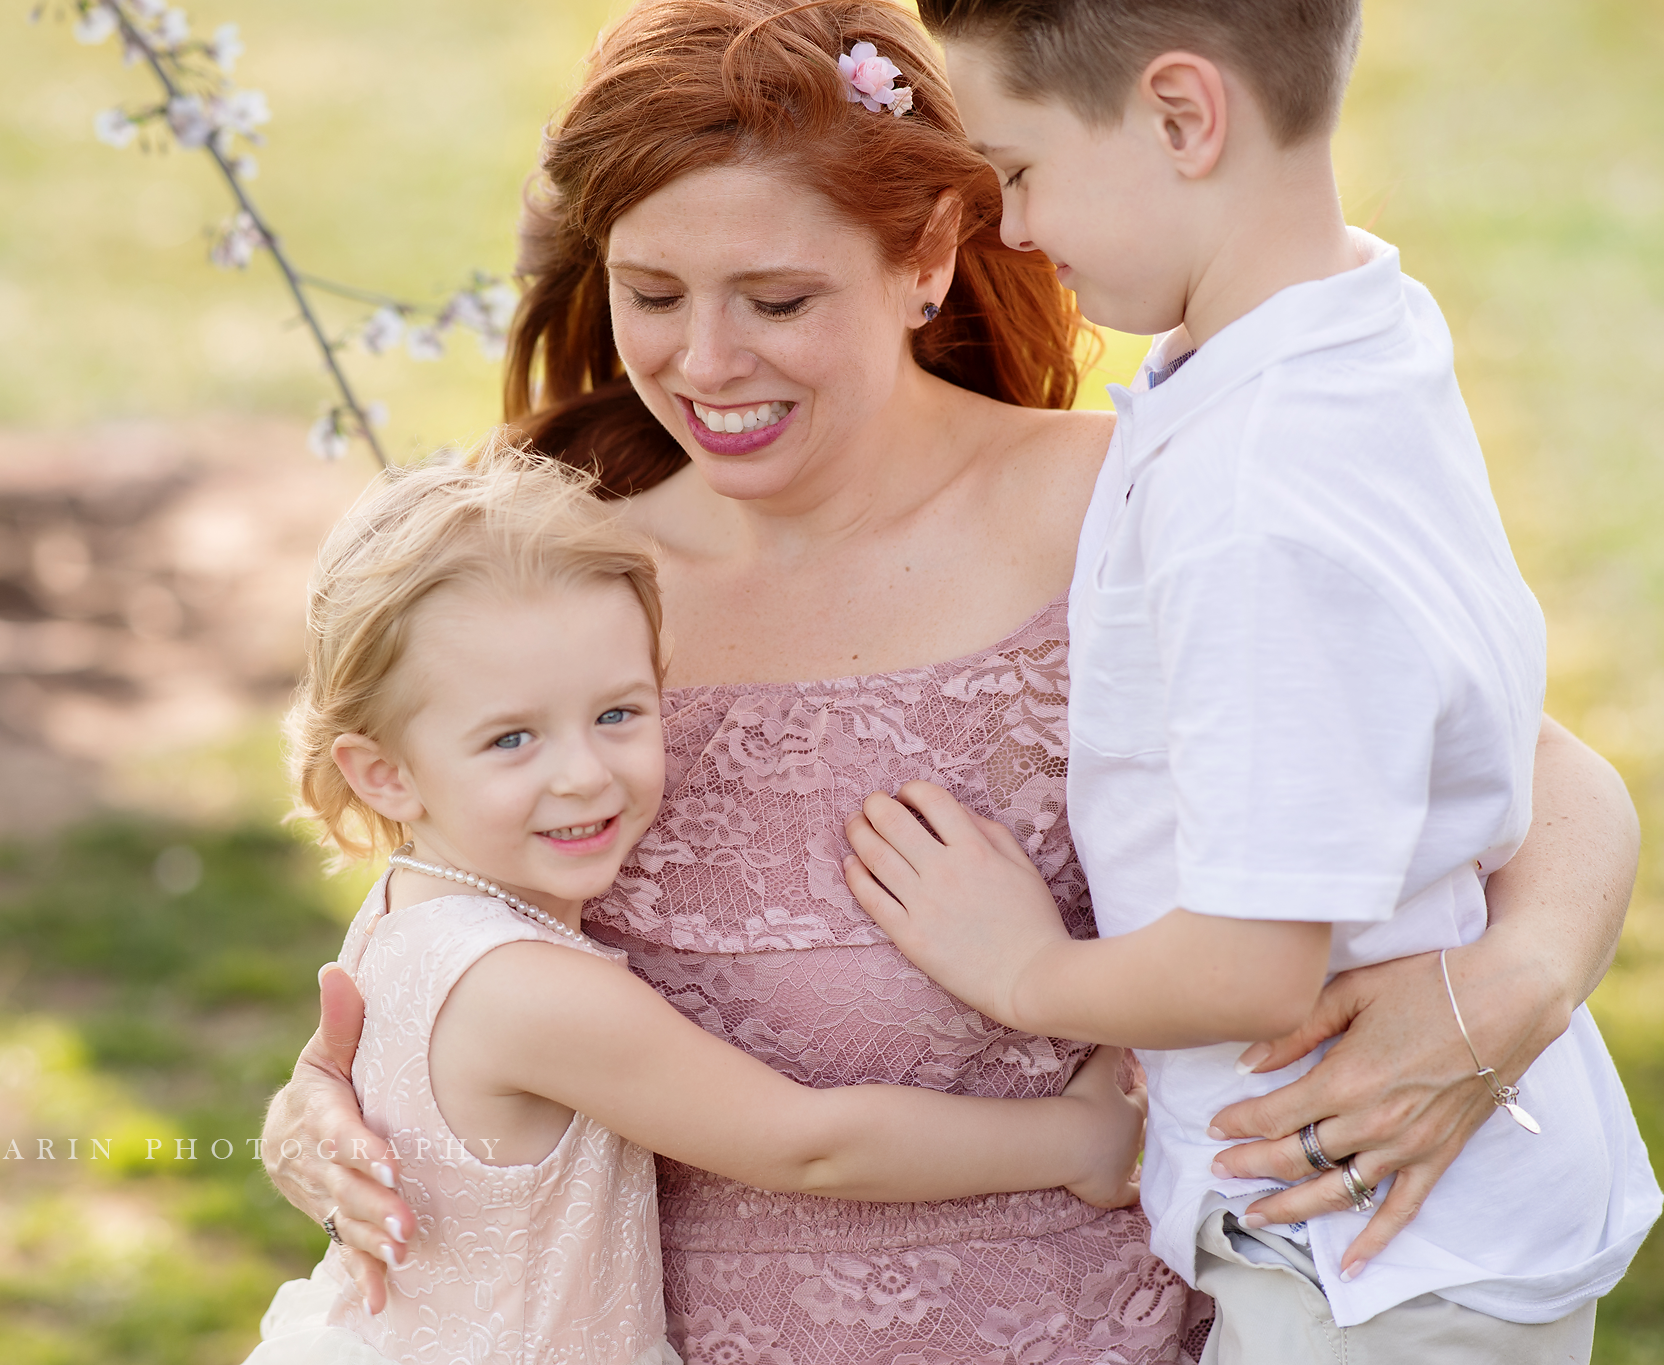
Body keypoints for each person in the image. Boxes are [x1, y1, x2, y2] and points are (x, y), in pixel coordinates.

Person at [260, 2, 1644, 1361]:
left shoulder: (1131, 503)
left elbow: (1529, 768)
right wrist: (353, 1098)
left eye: (779, 299)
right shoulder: (568, 587)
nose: (706, 362)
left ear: (927, 256)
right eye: (653, 294)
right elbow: (462, 916)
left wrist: (1512, 987)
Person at [843, 1, 1663, 1361]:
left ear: (1182, 116)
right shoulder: (1355, 330)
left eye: (1022, 170)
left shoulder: (1256, 495)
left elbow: (1254, 959)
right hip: (1417, 1232)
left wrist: (1026, 969)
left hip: (1370, 1266)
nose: (1018, 229)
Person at [243, 445, 1150, 1365]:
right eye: (512, 738)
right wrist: (1076, 1140)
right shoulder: (526, 988)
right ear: (384, 772)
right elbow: (808, 1145)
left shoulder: (406, 906)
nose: (584, 773)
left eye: (619, 714)